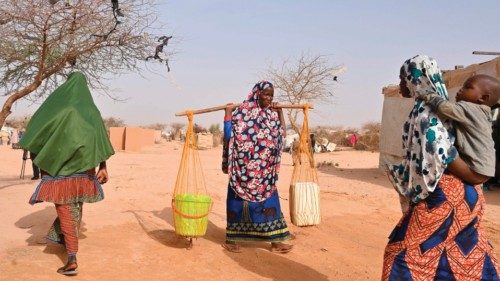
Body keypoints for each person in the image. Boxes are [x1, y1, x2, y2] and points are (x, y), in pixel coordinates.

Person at [383, 55, 499, 280]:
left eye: (403, 78)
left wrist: (474, 176)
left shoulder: (429, 113)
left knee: (404, 254)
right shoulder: (439, 110)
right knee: (466, 248)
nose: (400, 85)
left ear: (417, 79)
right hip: (463, 192)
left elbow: (441, 154)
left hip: (445, 192)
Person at [19, 72, 114, 276]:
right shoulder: (92, 112)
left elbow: (36, 129)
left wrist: (42, 157)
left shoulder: (57, 108)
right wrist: (103, 166)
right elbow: (100, 141)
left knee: (66, 210)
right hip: (85, 171)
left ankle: (71, 258)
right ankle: (64, 239)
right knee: (75, 209)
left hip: (59, 170)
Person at [221, 81, 293, 254]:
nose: (268, 98)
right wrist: (229, 113)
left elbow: (282, 135)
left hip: (265, 173)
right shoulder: (243, 113)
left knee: (270, 203)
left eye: (271, 95)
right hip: (243, 172)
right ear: (257, 93)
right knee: (237, 204)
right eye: (265, 94)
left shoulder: (271, 115)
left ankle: (275, 240)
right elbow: (229, 134)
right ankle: (233, 239)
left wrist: (280, 113)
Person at [419, 74, 500, 183]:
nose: (461, 89)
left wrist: (429, 95)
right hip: (485, 170)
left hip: (474, 170)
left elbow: (444, 108)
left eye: (468, 87)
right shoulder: (485, 112)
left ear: (483, 98)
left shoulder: (470, 109)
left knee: (438, 144)